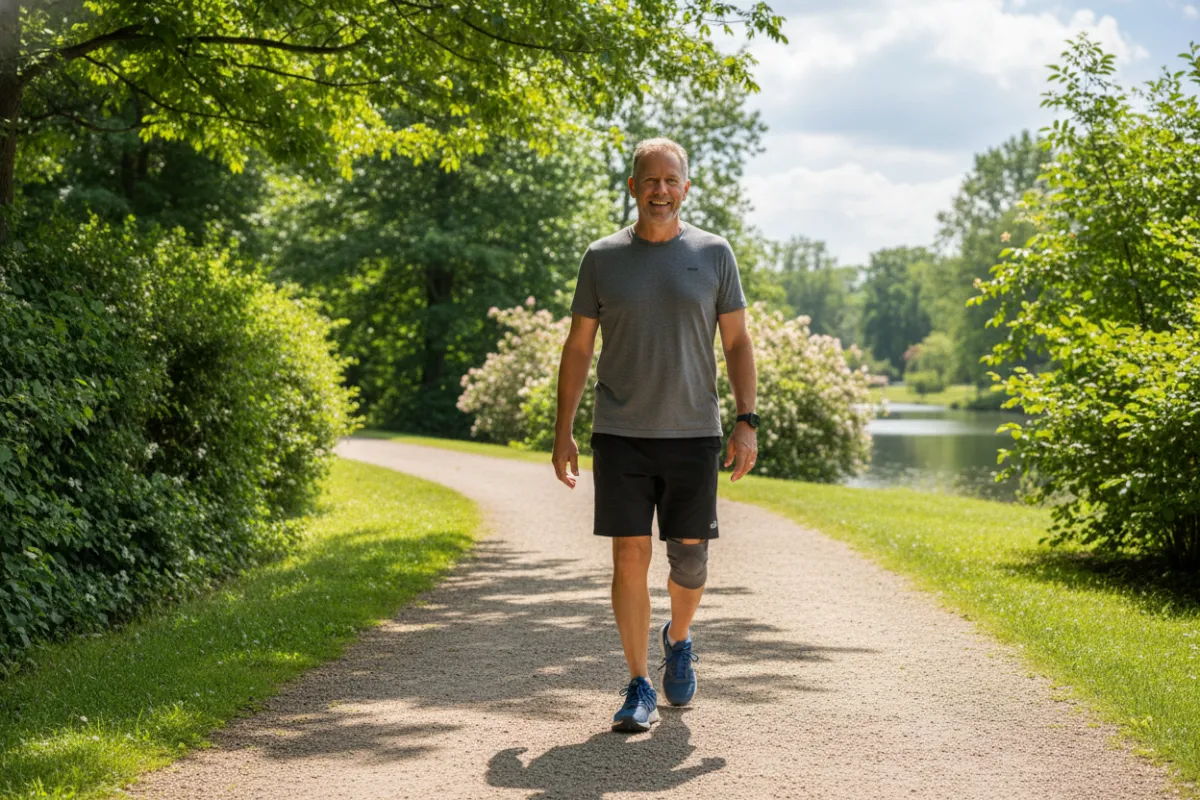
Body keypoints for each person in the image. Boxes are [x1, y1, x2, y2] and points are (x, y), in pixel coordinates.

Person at [551, 137, 760, 733]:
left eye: (671, 181)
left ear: (685, 188)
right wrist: (563, 431)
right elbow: (578, 346)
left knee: (690, 561)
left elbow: (738, 342)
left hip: (694, 431)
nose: (660, 191)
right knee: (628, 554)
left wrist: (746, 421)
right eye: (650, 180)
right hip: (619, 431)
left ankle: (680, 637)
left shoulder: (715, 254)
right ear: (633, 187)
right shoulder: (602, 258)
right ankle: (639, 683)